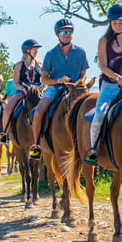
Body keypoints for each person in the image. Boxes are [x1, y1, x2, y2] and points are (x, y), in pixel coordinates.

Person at [84, 4, 122, 165]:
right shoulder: (103, 41)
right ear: (110, 23)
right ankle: (94, 149)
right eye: (115, 22)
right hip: (110, 86)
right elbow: (103, 66)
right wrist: (117, 77)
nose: (118, 25)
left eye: (121, 22)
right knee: (99, 115)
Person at [29, 19, 90, 159]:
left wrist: (79, 84)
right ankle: (37, 145)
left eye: (68, 31)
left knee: (92, 109)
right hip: (54, 89)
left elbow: (83, 73)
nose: (66, 34)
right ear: (57, 35)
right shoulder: (50, 54)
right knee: (39, 111)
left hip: (76, 89)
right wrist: (58, 80)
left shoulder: (80, 52)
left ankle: (93, 146)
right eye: (63, 32)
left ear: (72, 33)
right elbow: (44, 79)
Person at [0, 39, 43, 145]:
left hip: (37, 92)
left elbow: (44, 79)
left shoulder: (40, 64)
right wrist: (23, 89)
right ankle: (5, 133)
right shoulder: (18, 65)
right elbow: (16, 83)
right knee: (8, 108)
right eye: (34, 49)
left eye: (36, 49)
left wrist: (40, 88)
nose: (36, 51)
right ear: (27, 51)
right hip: (22, 91)